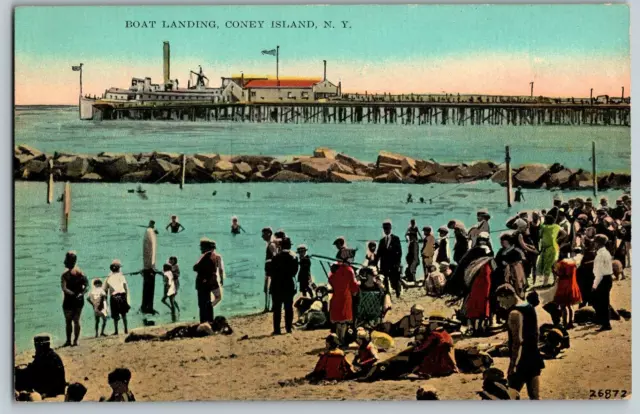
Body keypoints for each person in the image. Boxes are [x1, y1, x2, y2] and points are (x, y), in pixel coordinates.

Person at [496, 284, 544, 400]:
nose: (501, 305)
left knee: (510, 395)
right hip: (533, 356)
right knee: (534, 397)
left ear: (507, 296)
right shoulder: (529, 307)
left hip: (521, 361)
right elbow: (535, 333)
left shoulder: (514, 314)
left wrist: (513, 365)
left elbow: (518, 342)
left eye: (501, 301)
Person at [329, 249, 360, 344]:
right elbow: (354, 286)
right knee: (344, 321)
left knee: (338, 321)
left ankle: (338, 339)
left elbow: (331, 280)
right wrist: (359, 282)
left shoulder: (335, 269)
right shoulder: (349, 270)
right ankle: (341, 339)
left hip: (336, 296)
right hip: (346, 297)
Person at [270, 237, 299, 335]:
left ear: (281, 246)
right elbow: (294, 272)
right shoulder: (294, 257)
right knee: (288, 308)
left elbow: (271, 272)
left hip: (277, 285)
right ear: (290, 246)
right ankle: (288, 328)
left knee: (277, 309)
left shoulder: (275, 257)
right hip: (288, 284)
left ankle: (277, 330)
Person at [193, 238, 225, 324]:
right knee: (216, 298)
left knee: (202, 303)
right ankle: (209, 312)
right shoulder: (216, 256)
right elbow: (220, 269)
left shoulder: (206, 256)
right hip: (212, 280)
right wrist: (221, 279)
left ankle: (205, 318)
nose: (200, 248)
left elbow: (196, 267)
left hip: (204, 281)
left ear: (206, 247)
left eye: (201, 247)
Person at [60, 251, 88, 347]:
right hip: (79, 300)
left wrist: (71, 294)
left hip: (69, 300)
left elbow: (64, 288)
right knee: (77, 321)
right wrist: (81, 294)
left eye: (65, 260)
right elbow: (87, 286)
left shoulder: (65, 275)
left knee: (68, 322)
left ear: (68, 261)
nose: (64, 262)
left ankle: (68, 341)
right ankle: (75, 341)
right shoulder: (81, 272)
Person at [493, 233, 527, 300]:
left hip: (515, 272)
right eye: (501, 241)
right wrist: (502, 263)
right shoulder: (501, 251)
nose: (501, 243)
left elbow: (522, 259)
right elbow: (496, 260)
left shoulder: (516, 250)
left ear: (508, 241)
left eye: (503, 241)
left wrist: (509, 263)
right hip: (502, 273)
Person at [375, 219, 403, 298]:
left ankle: (398, 293)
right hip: (384, 264)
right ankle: (387, 294)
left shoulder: (396, 239)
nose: (386, 230)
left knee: (395, 279)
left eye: (387, 228)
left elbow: (399, 253)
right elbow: (378, 254)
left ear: (390, 228)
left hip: (393, 264)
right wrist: (374, 263)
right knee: (385, 280)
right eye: (384, 228)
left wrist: (397, 264)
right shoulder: (382, 241)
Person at [537, 214, 567, 287]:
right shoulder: (556, 226)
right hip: (554, 247)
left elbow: (540, 235)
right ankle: (556, 280)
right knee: (553, 264)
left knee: (547, 265)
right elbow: (564, 233)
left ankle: (545, 283)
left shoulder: (544, 227)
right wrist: (557, 239)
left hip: (548, 248)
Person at [553, 257, 582, 328]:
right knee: (570, 306)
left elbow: (561, 274)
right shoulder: (572, 263)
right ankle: (570, 322)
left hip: (563, 286)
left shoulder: (562, 263)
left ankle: (565, 322)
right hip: (571, 285)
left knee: (563, 306)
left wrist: (554, 272)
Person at [592, 234, 613, 331]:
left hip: (602, 279)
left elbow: (599, 272)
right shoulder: (606, 252)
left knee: (602, 302)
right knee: (605, 301)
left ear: (597, 243)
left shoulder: (600, 255)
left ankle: (605, 323)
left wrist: (595, 285)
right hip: (607, 278)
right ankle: (604, 321)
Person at [104, 259, 130, 336]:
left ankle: (116, 331)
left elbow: (105, 289)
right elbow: (125, 288)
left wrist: (106, 301)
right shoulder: (121, 276)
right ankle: (126, 329)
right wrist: (126, 297)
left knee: (115, 316)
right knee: (124, 314)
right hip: (122, 296)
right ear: (119, 268)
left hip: (114, 297)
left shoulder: (108, 277)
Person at [141, 221, 159, 315]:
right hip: (150, 268)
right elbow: (152, 249)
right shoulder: (150, 232)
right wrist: (152, 266)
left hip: (147, 267)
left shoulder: (149, 231)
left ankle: (145, 307)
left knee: (147, 289)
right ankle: (148, 308)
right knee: (149, 288)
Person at [262, 227, 278, 313]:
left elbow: (275, 256)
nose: (262, 236)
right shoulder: (270, 244)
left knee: (268, 288)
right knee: (268, 288)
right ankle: (269, 307)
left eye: (263, 234)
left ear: (269, 234)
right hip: (269, 270)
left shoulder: (271, 245)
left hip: (270, 270)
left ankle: (268, 307)